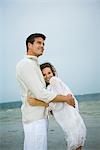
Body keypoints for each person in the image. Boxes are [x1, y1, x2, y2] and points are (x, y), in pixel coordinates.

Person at [16, 33, 75, 150]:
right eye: (38, 43)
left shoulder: (34, 64)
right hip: (35, 120)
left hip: (38, 117)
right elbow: (41, 93)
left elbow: (38, 93)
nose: (42, 46)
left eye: (43, 44)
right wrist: (66, 98)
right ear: (29, 45)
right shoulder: (26, 64)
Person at [28, 62, 86, 150]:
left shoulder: (54, 81)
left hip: (70, 120)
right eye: (44, 75)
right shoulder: (49, 87)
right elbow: (65, 98)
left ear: (53, 73)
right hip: (71, 119)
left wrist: (47, 105)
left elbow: (59, 104)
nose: (47, 76)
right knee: (77, 144)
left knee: (75, 143)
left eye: (49, 73)